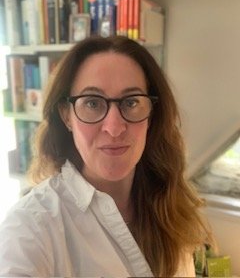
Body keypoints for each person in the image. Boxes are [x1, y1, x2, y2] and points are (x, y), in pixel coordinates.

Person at [0, 36, 213, 277]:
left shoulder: (171, 205)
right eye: (92, 103)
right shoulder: (30, 227)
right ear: (67, 116)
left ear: (151, 115)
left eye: (131, 102)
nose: (114, 127)